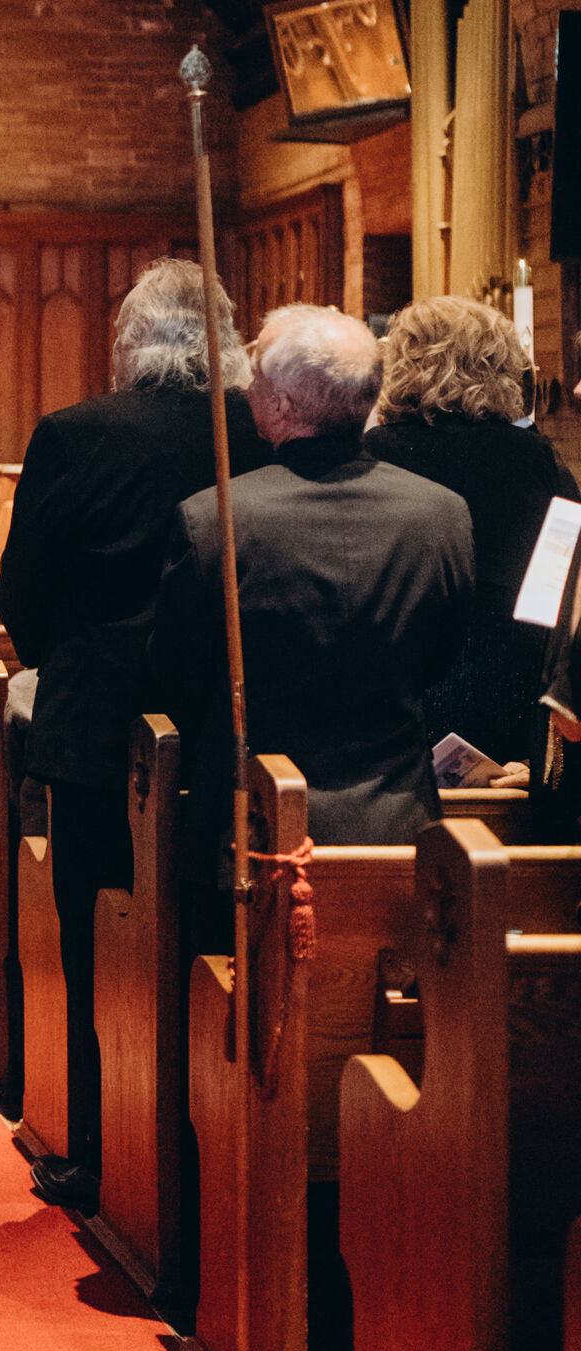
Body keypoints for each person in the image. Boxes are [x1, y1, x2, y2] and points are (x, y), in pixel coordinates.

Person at [0, 259, 266, 1215]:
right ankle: (208, 1152)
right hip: (227, 721)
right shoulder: (257, 432)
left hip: (98, 720)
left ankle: (97, 1147)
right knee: (212, 931)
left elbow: (21, 589)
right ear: (229, 339)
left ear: (129, 341)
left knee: (93, 937)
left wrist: (70, 664)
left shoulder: (76, 434)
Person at [151, 303, 476, 927]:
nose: (247, 389)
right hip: (395, 824)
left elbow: (176, 672)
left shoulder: (214, 518)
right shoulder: (441, 514)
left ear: (282, 405)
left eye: (256, 377)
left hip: (253, 830)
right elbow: (440, 657)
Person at [368, 295, 577, 770]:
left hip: (395, 703)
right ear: (504, 368)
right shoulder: (539, 463)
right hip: (512, 703)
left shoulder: (370, 456)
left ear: (400, 363)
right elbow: (561, 598)